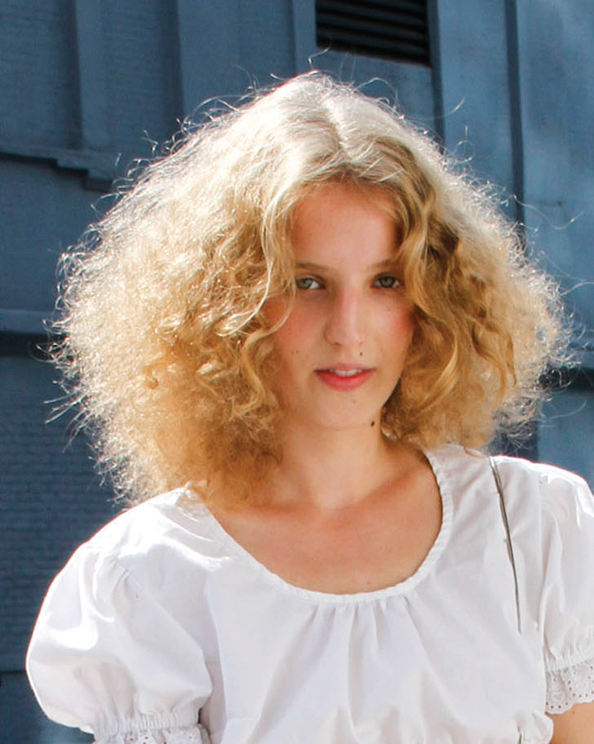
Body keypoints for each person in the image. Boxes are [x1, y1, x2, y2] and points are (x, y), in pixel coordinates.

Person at [26, 72, 594, 743]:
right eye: (307, 282)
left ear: (434, 297)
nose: (349, 331)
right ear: (231, 303)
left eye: (386, 280)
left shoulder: (531, 527)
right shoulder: (151, 577)